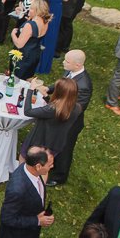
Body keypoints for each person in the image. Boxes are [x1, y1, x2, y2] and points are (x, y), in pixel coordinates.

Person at [36, 49, 92, 186]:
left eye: (67, 61)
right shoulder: (70, 71)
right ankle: (50, 163)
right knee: (54, 142)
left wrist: (48, 99)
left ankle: (59, 176)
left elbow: (71, 110)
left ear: (77, 65)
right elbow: (60, 84)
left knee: (64, 148)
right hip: (60, 117)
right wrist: (48, 89)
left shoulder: (83, 86)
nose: (63, 62)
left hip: (70, 123)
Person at [21, 78, 80, 157]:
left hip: (39, 143)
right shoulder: (77, 108)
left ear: (58, 92)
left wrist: (31, 89)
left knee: (23, 158)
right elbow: (59, 109)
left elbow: (28, 111)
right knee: (45, 163)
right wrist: (46, 96)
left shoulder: (52, 110)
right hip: (56, 144)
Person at [37, 0, 70, 74]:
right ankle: (45, 65)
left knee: (39, 32)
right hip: (55, 11)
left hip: (42, 9)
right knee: (51, 35)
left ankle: (36, 62)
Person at [10, 0, 50, 79]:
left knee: (16, 78)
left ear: (37, 11)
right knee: (26, 77)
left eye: (31, 8)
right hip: (34, 54)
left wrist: (13, 34)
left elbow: (19, 44)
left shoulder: (29, 25)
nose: (29, 10)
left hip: (23, 56)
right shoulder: (45, 22)